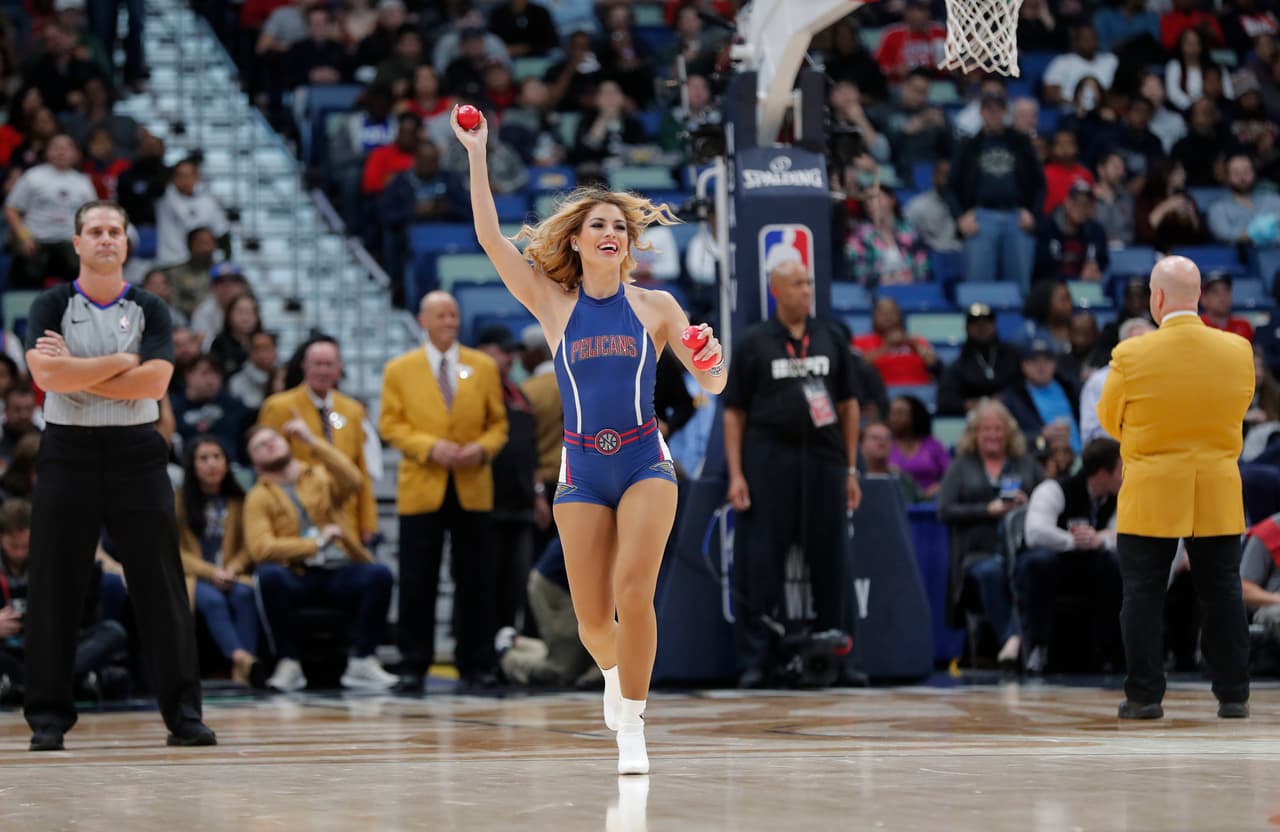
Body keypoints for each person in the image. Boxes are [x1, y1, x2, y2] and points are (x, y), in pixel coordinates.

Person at [451, 106, 726, 775]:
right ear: (575, 239)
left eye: (619, 226)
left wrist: (709, 355)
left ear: (629, 245)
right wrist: (477, 152)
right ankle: (612, 673)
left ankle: (633, 725)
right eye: (597, 223)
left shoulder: (656, 306)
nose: (610, 231)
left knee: (637, 592)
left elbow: (713, 385)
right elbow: (490, 238)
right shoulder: (552, 301)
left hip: (643, 460)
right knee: (592, 622)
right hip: (580, 469)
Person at [21, 200, 214, 751]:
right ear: (77, 243)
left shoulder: (151, 307)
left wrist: (77, 375)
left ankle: (184, 715)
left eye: (115, 231)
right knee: (56, 585)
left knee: (161, 585)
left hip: (136, 451)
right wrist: (119, 363)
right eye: (95, 231)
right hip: (66, 452)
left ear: (126, 244)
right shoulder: (51, 303)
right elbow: (44, 375)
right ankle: (49, 720)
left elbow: (152, 385)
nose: (106, 239)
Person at [1097, 255, 1254, 719]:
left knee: (1143, 594)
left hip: (1151, 490)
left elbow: (1109, 418)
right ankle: (1234, 695)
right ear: (1200, 296)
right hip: (1218, 489)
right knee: (1223, 591)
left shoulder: (1132, 353)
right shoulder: (1237, 350)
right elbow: (1239, 406)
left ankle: (1144, 696)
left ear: (1157, 298)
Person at [723, 259, 863, 688]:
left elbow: (848, 405)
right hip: (768, 461)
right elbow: (734, 413)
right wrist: (736, 474)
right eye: (797, 283)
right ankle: (755, 660)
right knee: (761, 563)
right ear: (776, 291)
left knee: (832, 561)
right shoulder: (753, 343)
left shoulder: (831, 336)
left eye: (808, 282)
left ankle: (837, 656)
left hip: (825, 462)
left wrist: (851, 468)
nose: (806, 290)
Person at [378, 292, 509, 692]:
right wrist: (429, 447)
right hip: (422, 485)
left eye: (453, 314)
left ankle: (478, 663)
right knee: (418, 578)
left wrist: (482, 449)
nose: (449, 321)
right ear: (422, 320)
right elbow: (390, 424)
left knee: (476, 579)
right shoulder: (399, 369)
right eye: (440, 314)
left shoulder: (483, 366)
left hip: (472, 485)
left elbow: (499, 424)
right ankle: (413, 664)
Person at [242, 422, 398, 692]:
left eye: (273, 438)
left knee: (379, 574)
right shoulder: (258, 496)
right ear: (254, 463)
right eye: (259, 445)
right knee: (268, 576)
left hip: (337, 570)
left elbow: (353, 479)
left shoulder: (317, 476)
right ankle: (288, 663)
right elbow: (261, 548)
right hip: (296, 574)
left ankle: (363, 661)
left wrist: (313, 441)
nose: (269, 444)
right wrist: (314, 543)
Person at [937, 400, 1043, 666]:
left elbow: (1049, 497)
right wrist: (987, 509)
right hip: (977, 552)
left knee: (1033, 568)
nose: (993, 435)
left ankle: (1024, 643)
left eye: (998, 429)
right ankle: (1013, 638)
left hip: (1021, 548)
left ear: (1008, 433)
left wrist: (1027, 503)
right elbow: (945, 509)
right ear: (975, 434)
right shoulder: (961, 466)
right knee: (992, 571)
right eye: (986, 429)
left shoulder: (1026, 464)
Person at [1018, 437, 1125, 673]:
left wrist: (1099, 539)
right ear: (1102, 473)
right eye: (1120, 470)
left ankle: (1112, 650)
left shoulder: (1119, 497)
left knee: (1115, 562)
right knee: (1039, 562)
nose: (1125, 476)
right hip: (1057, 562)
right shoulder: (1054, 489)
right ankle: (1038, 647)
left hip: (1090, 565)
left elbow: (1122, 534)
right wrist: (1071, 540)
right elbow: (1035, 532)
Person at [259, 338, 377, 543]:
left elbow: (361, 469)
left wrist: (368, 522)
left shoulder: (353, 410)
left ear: (339, 368)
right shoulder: (278, 407)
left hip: (344, 513)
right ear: (304, 366)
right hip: (297, 513)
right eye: (317, 364)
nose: (323, 371)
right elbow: (265, 465)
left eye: (329, 364)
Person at [175, 436, 259, 685]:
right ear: (193, 465)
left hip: (233, 574)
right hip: (195, 576)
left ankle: (242, 670)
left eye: (217, 457)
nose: (212, 464)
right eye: (204, 458)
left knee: (244, 595)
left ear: (226, 462)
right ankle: (243, 659)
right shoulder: (179, 500)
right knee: (212, 601)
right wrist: (211, 572)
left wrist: (233, 568)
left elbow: (249, 546)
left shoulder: (240, 500)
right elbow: (174, 550)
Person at [1080, 317, 1155, 443]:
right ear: (1122, 346)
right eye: (1139, 343)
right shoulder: (1099, 382)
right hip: (1113, 455)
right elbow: (1091, 436)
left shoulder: (1164, 379)